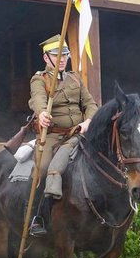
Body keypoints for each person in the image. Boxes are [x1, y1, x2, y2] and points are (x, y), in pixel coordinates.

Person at [28, 34, 99, 236]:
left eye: (65, 54)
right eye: (56, 54)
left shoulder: (75, 78)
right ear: (46, 58)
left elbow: (90, 103)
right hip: (53, 136)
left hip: (78, 134)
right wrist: (42, 114)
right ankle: (36, 215)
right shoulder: (39, 79)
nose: (62, 59)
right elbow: (38, 100)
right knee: (41, 168)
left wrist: (89, 121)